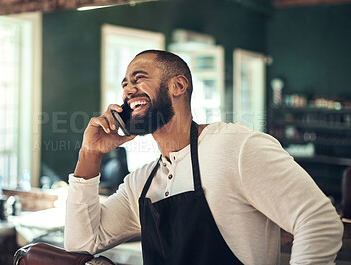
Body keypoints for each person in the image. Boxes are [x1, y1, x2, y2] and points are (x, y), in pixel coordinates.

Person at [64, 50, 343, 264]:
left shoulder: (235, 147)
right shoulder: (143, 184)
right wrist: (89, 153)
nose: (127, 90)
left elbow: (318, 220)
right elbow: (83, 242)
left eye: (139, 79)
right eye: (125, 84)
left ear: (178, 86)